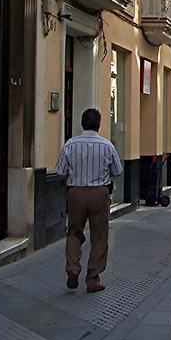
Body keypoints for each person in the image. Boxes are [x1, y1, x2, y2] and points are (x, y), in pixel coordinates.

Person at [55, 108, 123, 293]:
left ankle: (73, 268)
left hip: (75, 192)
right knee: (99, 235)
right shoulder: (107, 145)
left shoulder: (70, 144)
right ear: (99, 124)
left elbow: (60, 171)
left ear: (82, 123)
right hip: (99, 193)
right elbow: (117, 171)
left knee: (74, 232)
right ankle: (93, 278)